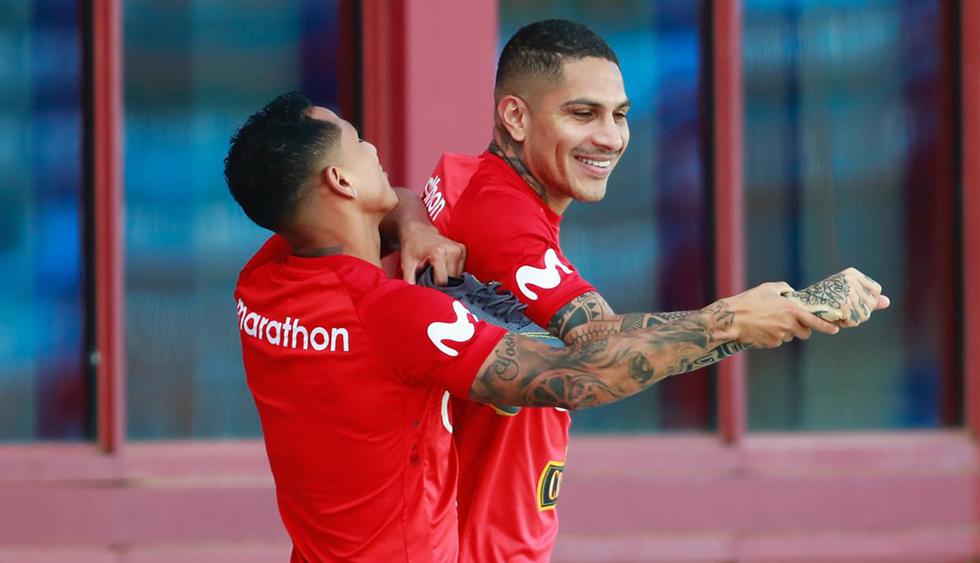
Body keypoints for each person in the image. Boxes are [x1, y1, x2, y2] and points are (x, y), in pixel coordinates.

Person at [225, 92, 880, 562]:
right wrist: (731, 321)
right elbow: (579, 373)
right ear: (340, 179)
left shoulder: (264, 280)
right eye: (358, 142)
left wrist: (416, 226)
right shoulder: (393, 314)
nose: (374, 148)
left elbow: (387, 204)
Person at [416, 19, 890, 562]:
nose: (611, 138)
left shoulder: (460, 179)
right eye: (583, 113)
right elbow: (597, 350)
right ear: (515, 117)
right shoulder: (505, 224)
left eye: (619, 115)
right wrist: (737, 320)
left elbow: (405, 200)